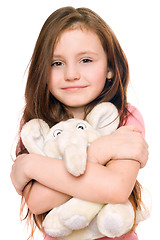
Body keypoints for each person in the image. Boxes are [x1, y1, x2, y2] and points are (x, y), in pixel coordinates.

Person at [10, 6, 149, 240]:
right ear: (42, 71)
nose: (71, 74)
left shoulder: (124, 117)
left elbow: (115, 188)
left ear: (111, 69)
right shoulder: (37, 123)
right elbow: (38, 201)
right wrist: (102, 153)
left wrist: (31, 166)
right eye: (57, 63)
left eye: (85, 60)